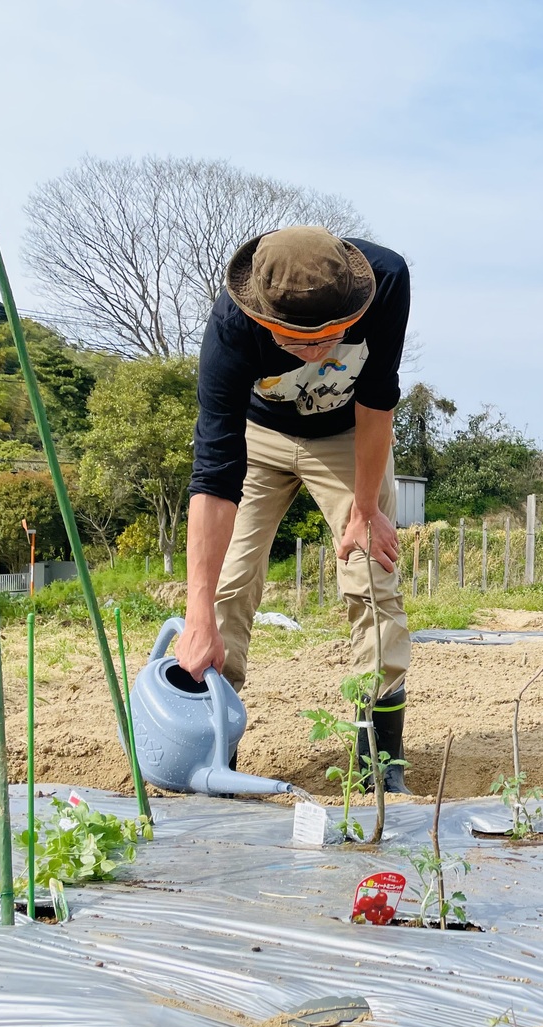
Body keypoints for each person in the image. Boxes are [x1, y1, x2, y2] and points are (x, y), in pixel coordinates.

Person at [178, 225, 413, 793]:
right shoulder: (231, 328)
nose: (313, 353)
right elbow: (213, 470)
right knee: (227, 591)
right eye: (294, 341)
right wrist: (197, 611)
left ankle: (377, 767)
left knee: (372, 576)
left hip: (347, 437)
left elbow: (378, 398)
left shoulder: (386, 282)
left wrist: (364, 509)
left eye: (328, 338)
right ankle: (214, 754)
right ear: (261, 316)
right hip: (259, 437)